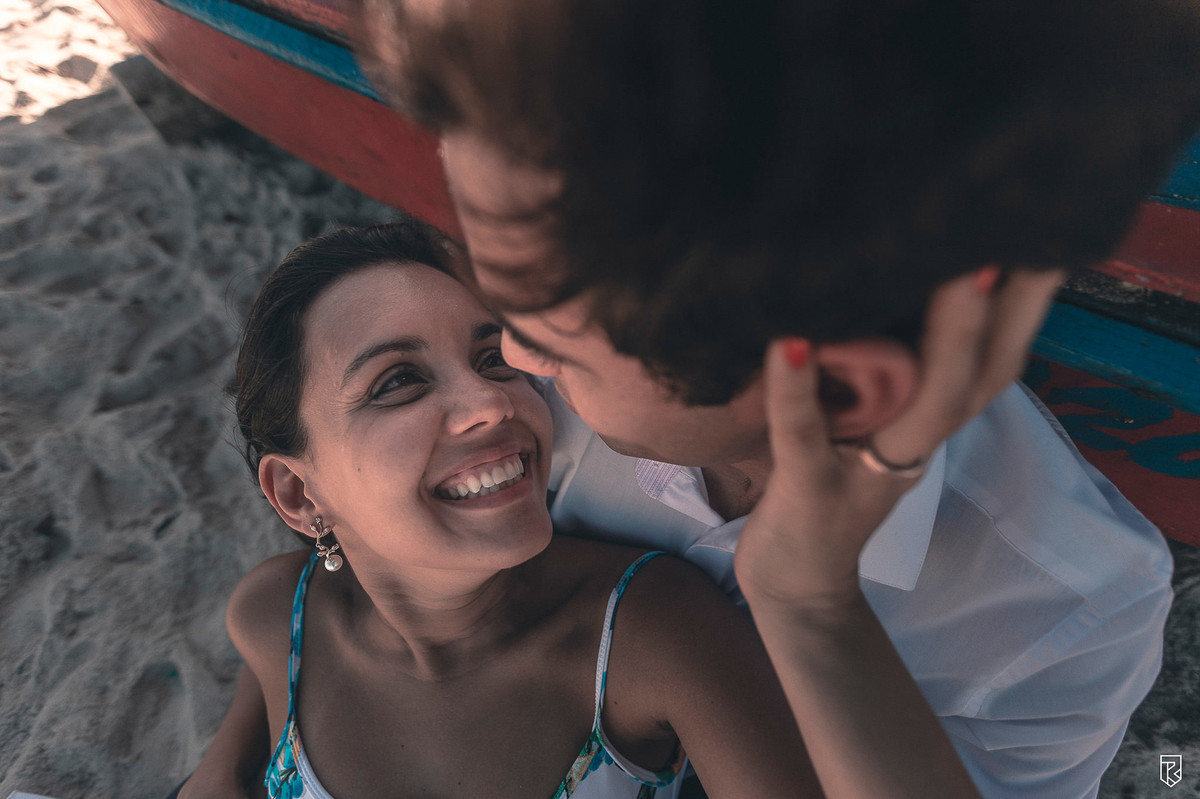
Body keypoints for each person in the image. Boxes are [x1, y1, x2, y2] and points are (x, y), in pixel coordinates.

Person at [341, 0, 1200, 796]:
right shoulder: (545, 384)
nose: (510, 362)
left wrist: (812, 607)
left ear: (841, 387)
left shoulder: (1066, 615)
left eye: (558, 347)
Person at [178, 220, 822, 798]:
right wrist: (223, 764)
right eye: (398, 381)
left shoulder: (655, 635)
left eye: (492, 359)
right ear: (298, 493)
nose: (492, 401)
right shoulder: (277, 617)